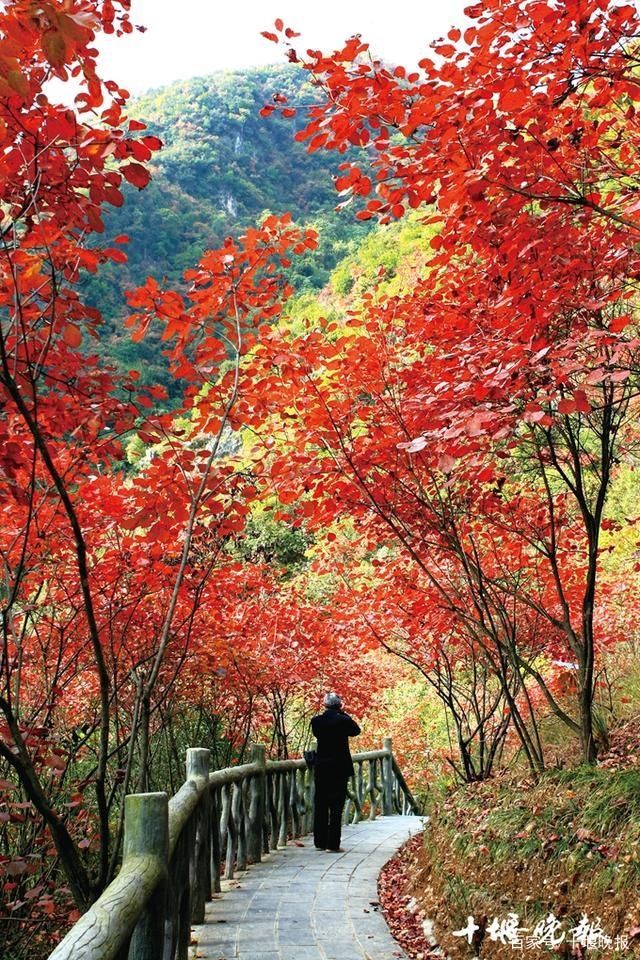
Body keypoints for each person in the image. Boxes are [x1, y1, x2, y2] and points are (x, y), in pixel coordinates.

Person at [311, 691, 361, 852]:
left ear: (325, 704)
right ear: (339, 705)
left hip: (322, 767)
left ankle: (320, 841)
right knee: (336, 806)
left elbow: (318, 735)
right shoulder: (343, 721)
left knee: (321, 804)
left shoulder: (316, 721)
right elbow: (356, 730)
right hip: (339, 768)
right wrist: (343, 712)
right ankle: (333, 844)